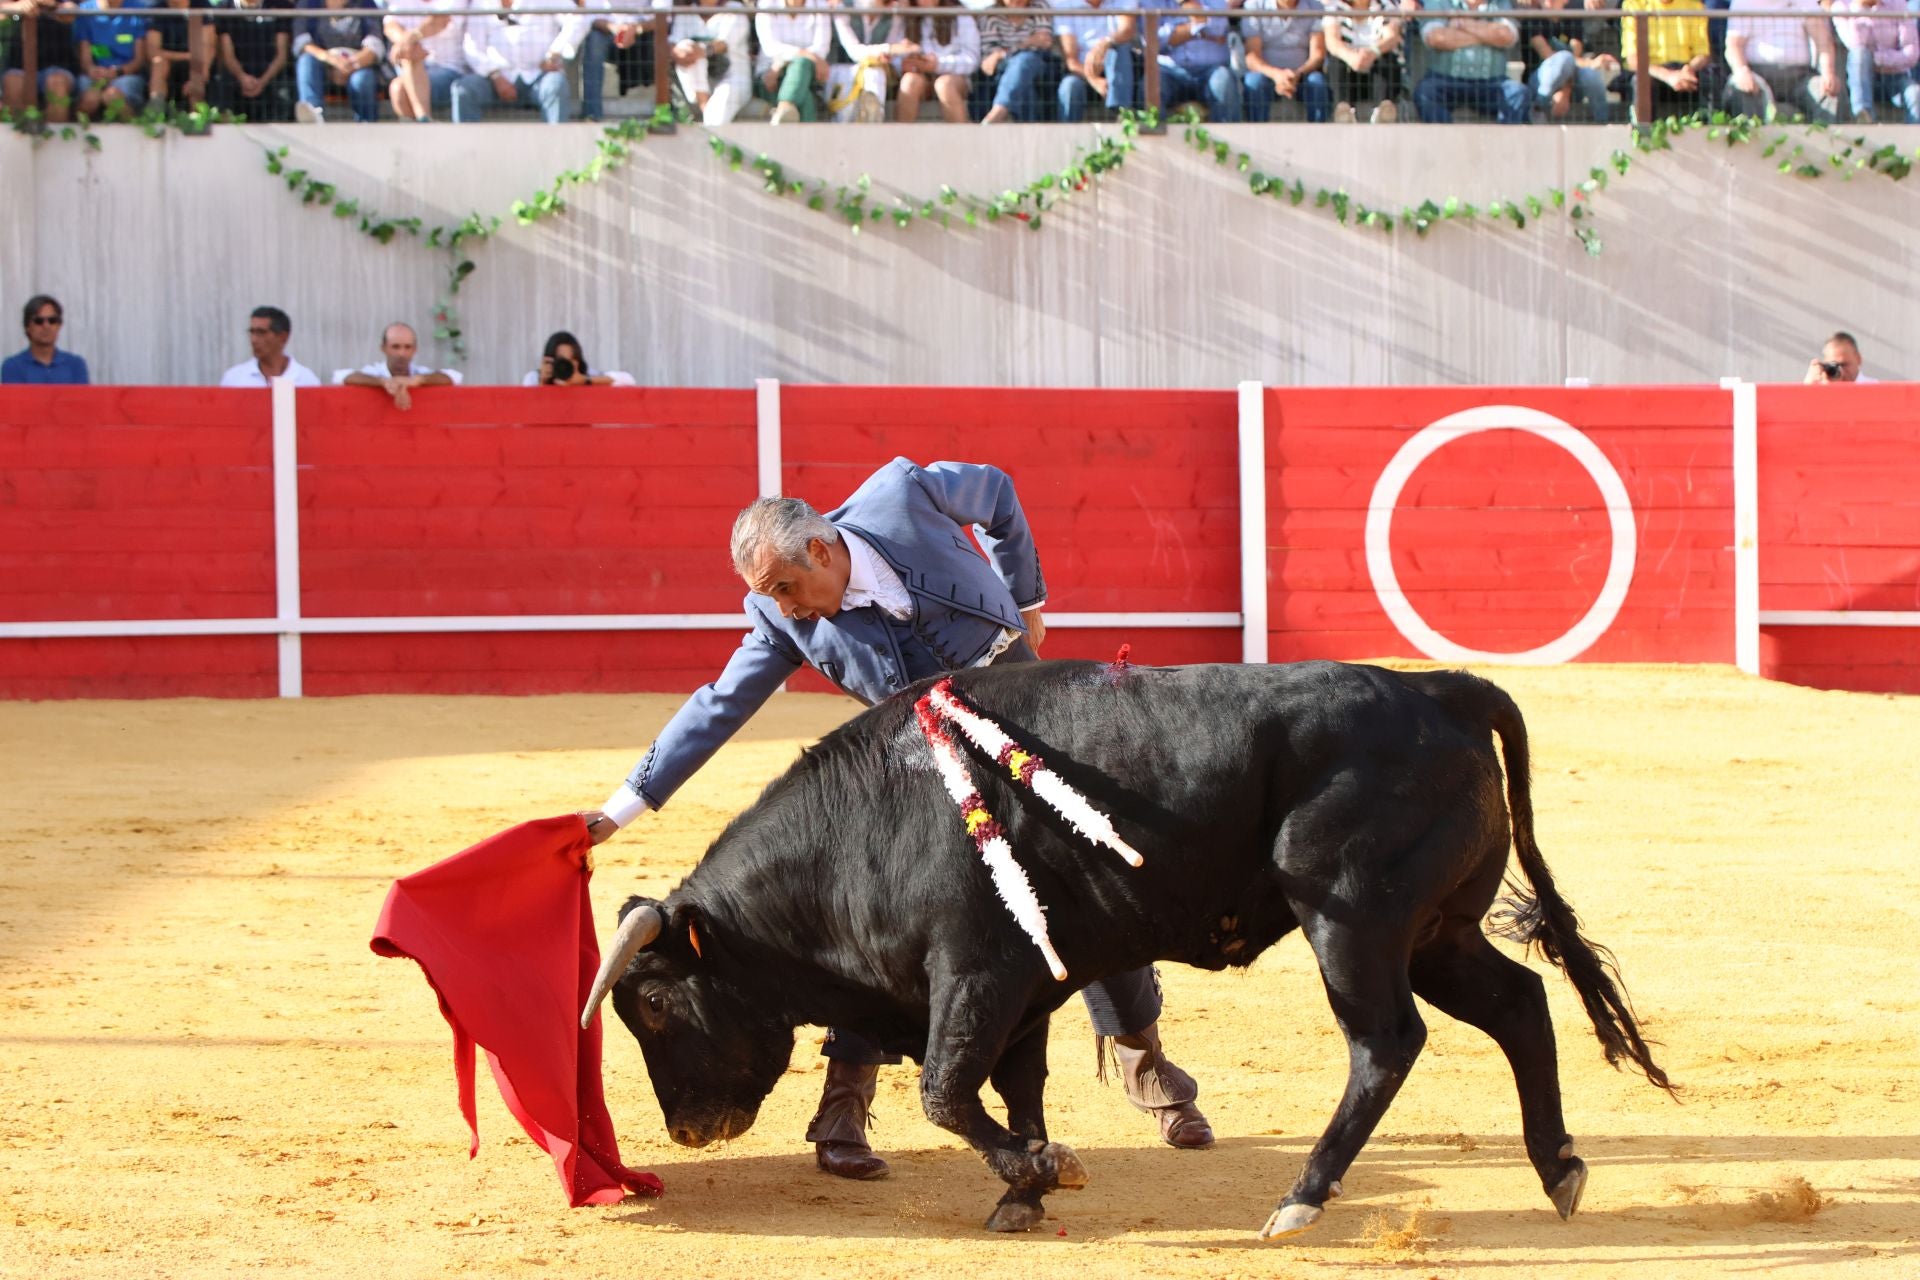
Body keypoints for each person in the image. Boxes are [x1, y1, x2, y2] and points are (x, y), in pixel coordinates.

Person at [577, 459, 1216, 1181]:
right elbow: (720, 704)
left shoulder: (904, 495)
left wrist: (1028, 599)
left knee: (1089, 882)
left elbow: (1001, 496)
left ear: (820, 550)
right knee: (868, 914)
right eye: (771, 596)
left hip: (1030, 712)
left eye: (787, 587)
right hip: (922, 763)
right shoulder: (777, 616)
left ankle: (1145, 1065)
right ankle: (846, 1099)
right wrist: (621, 808)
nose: (786, 608)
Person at [452, 0, 576, 123]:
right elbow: (472, 48)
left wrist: (554, 53)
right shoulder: (481, 3)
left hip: (539, 76)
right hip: (493, 79)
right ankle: (467, 143)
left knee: (556, 85)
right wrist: (495, 76)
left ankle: (555, 141)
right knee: (464, 89)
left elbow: (577, 19)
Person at [1724, 0, 1843, 122]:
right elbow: (1734, 45)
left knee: (1825, 92)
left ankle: (1824, 140)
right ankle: (1754, 140)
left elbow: (1823, 41)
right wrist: (1742, 71)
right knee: (1741, 87)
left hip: (1800, 77)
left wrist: (1828, 72)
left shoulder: (1805, 2)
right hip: (1757, 74)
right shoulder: (1743, 3)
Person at [1413, 0, 1529, 123]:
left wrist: (1461, 24)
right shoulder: (1438, 2)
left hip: (1492, 82)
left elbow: (1505, 36)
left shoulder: (1501, 3)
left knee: (1518, 93)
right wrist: (1487, 34)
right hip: (1444, 80)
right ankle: (1446, 141)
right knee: (1425, 93)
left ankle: (1504, 141)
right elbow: (1436, 38)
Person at [1618, 0, 1722, 118]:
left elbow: (1703, 54)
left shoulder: (1694, 6)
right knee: (1641, 80)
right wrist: (1668, 76)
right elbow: (1632, 60)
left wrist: (1688, 69)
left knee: (1712, 75)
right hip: (1653, 71)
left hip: (1686, 72)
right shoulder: (1634, 5)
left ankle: (1712, 129)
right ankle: (1644, 133)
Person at [1522, 0, 1614, 123]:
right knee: (1564, 58)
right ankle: (1538, 107)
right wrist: (1591, 63)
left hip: (1570, 83)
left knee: (1591, 75)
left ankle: (1603, 121)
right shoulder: (1532, 19)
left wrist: (1565, 92)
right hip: (1539, 83)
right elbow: (1550, 58)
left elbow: (1574, 61)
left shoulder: (1572, 17)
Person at [292, 0, 384, 122]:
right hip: (323, 64)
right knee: (306, 62)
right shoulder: (308, 3)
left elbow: (374, 45)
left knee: (363, 79)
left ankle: (367, 124)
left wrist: (350, 65)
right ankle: (312, 114)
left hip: (357, 65)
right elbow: (302, 42)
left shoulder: (366, 3)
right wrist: (332, 60)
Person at [1242, 0, 1332, 123]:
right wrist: (1277, 75)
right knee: (1254, 82)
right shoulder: (1254, 6)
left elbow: (1317, 54)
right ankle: (1256, 137)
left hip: (1302, 75)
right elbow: (1252, 57)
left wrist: (1297, 74)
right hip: (1267, 75)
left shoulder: (1315, 6)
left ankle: (1320, 136)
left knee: (1317, 82)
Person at [662, 0, 751, 124]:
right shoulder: (685, 12)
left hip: (732, 79)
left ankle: (706, 111)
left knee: (716, 116)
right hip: (695, 85)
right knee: (685, 45)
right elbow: (674, 44)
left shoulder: (736, 9)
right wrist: (678, 52)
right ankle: (704, 102)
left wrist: (702, 50)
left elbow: (723, 44)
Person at [1832, 0, 1920, 123]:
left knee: (1915, 93)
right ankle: (1862, 114)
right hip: (1862, 77)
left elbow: (1911, 53)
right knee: (1859, 55)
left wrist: (1878, 58)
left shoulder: (1898, 4)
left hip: (1895, 76)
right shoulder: (1841, 7)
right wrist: (1859, 9)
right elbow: (1855, 44)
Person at [335, 322, 460, 409]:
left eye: (407, 347)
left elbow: (454, 376)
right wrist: (383, 382)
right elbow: (340, 376)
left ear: (414, 349)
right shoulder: (373, 372)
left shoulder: (420, 372)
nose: (402, 353)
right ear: (383, 348)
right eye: (396, 347)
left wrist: (417, 380)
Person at [1321, 0, 1410, 121]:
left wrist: (1372, 53)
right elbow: (1332, 42)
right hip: (1350, 74)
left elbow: (1392, 37)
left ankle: (1383, 111)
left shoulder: (1386, 6)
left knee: (1387, 58)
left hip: (1377, 72)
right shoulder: (1334, 8)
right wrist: (1351, 57)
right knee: (1336, 61)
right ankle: (1343, 111)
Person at [1054, 0, 1140, 122]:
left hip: (1119, 71)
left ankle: (1121, 113)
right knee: (1069, 87)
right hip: (1082, 72)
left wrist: (1105, 44)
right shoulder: (1066, 6)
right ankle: (1067, 136)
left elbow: (1127, 30)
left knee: (1120, 48)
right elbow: (1071, 61)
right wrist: (1093, 79)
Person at [972, 0, 1056, 124]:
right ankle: (1030, 138)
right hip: (1002, 73)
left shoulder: (1040, 6)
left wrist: (1007, 52)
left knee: (1024, 61)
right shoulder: (989, 15)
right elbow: (989, 63)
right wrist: (1027, 43)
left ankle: (998, 112)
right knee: (1024, 82)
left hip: (1039, 67)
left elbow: (1045, 41)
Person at [893, 0, 977, 121]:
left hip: (954, 79)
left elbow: (972, 59)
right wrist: (904, 64)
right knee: (909, 81)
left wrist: (938, 64)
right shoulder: (905, 15)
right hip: (920, 77)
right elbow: (894, 54)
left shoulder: (961, 15)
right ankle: (900, 138)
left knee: (944, 84)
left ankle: (962, 138)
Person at [1157, 0, 1241, 121]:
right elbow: (1154, 40)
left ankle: (1227, 138)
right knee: (1151, 84)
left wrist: (1187, 2)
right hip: (1169, 71)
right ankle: (1155, 137)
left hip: (1211, 69)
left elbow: (1218, 29)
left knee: (1224, 80)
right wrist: (1198, 26)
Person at [211, 0, 295, 121]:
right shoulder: (224, 8)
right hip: (236, 79)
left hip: (272, 78)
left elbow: (281, 55)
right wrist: (242, 77)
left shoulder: (280, 5)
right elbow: (227, 54)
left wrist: (262, 81)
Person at [384, 0, 467, 122]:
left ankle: (424, 122)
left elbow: (440, 20)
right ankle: (423, 122)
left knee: (402, 83)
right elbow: (390, 26)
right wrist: (407, 43)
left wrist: (409, 41)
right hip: (411, 70)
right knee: (397, 88)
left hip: (450, 70)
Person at [2, 0, 81, 125]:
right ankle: (18, 138)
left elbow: (73, 10)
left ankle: (54, 140)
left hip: (60, 63)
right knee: (13, 83)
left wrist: (51, 6)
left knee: (57, 83)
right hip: (19, 64)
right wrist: (16, 7)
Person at [755, 0, 832, 124]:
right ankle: (807, 138)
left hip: (806, 71)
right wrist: (804, 54)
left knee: (801, 64)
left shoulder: (820, 4)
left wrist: (786, 61)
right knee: (806, 99)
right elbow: (770, 47)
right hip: (771, 74)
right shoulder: (767, 3)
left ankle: (785, 106)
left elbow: (821, 47)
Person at [74, 0, 153, 118]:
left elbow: (139, 59)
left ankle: (136, 128)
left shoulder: (138, 9)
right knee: (89, 97)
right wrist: (92, 70)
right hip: (94, 75)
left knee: (114, 97)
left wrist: (118, 72)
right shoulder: (84, 10)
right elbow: (85, 57)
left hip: (126, 75)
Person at [827, 0, 902, 123]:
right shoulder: (843, 7)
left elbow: (891, 54)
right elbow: (854, 51)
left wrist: (888, 52)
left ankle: (874, 118)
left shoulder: (894, 12)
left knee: (874, 72)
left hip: (873, 72)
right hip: (840, 73)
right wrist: (888, 49)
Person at [218, 305, 321, 387]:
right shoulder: (234, 379)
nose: (253, 340)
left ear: (283, 337)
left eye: (261, 333)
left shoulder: (306, 380)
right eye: (252, 332)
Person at [2, 294, 90, 385]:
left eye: (52, 320)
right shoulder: (13, 366)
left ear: (59, 325)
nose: (46, 326)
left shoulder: (76, 365)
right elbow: (17, 399)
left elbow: (81, 399)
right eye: (38, 321)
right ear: (27, 326)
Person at [145, 0, 211, 109]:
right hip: (168, 63)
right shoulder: (157, 8)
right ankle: (156, 110)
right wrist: (187, 56)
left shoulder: (201, 4)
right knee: (159, 62)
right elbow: (153, 51)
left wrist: (202, 73)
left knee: (197, 74)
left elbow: (209, 46)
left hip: (196, 63)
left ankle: (198, 118)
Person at [521, 330, 635, 386]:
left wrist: (586, 381)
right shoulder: (533, 378)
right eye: (560, 360)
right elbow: (527, 415)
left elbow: (629, 380)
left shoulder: (584, 375)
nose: (564, 365)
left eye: (569, 360)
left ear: (577, 361)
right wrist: (543, 383)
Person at [1804, 331, 1878, 383]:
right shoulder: (1820, 391)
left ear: (1858, 359)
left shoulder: (1876, 390)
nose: (1840, 371)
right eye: (1834, 366)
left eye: (1844, 365)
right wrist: (1808, 389)